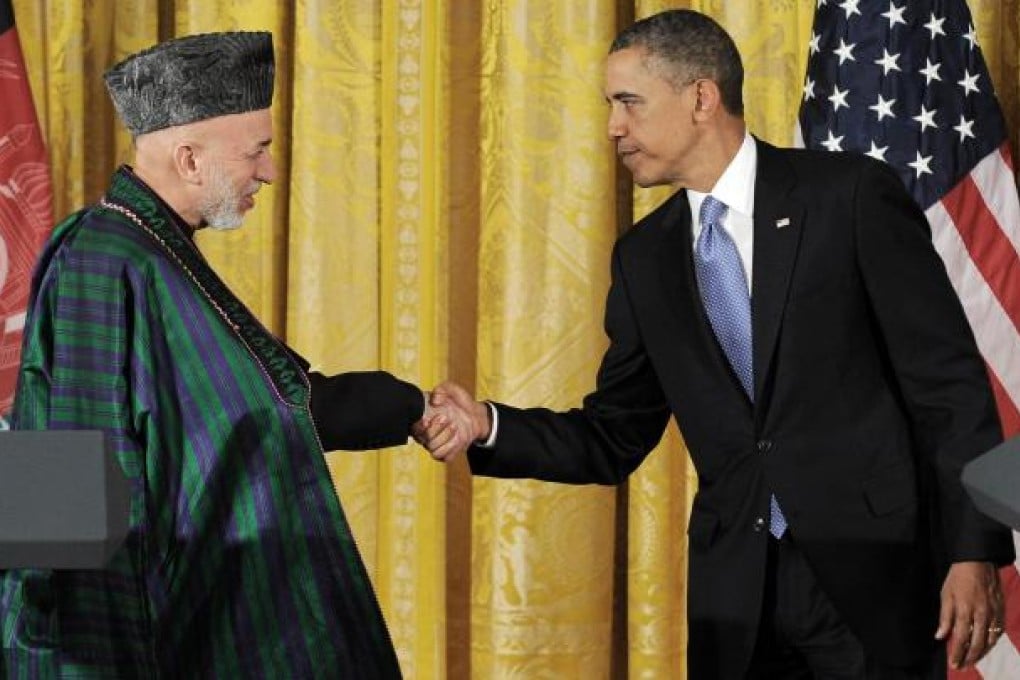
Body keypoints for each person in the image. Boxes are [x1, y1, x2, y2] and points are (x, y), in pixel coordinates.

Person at [425, 9, 1015, 679]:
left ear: (701, 97)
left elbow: (947, 386)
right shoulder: (644, 259)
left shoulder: (846, 198)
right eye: (610, 106)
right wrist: (488, 427)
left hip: (872, 580)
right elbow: (614, 433)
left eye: (628, 102)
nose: (614, 126)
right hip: (738, 600)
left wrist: (973, 552)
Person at [0, 31, 463, 677]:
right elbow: (68, 474)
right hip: (130, 636)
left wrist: (408, 405)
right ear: (190, 160)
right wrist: (85, 657)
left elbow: (270, 403)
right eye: (260, 150)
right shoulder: (102, 257)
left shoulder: (156, 247)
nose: (270, 171)